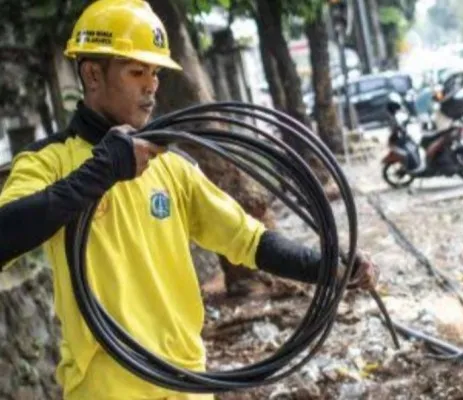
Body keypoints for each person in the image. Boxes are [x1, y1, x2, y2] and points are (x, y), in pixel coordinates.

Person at [0, 1, 378, 399]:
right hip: (108, 386)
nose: (151, 85)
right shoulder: (50, 162)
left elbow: (249, 241)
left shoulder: (172, 167)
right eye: (136, 71)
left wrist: (329, 268)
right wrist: (101, 171)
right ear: (93, 74)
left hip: (186, 382)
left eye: (156, 73)